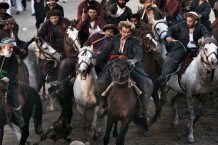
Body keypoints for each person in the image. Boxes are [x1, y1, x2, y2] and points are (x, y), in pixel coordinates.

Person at [91, 21, 153, 118]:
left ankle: (144, 109)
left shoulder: (135, 41)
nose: (126, 34)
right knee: (100, 83)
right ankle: (102, 106)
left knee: (147, 83)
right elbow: (106, 51)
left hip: (129, 63)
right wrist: (97, 60)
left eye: (129, 32)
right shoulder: (115, 39)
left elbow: (139, 53)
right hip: (114, 63)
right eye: (124, 32)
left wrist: (134, 60)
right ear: (120, 30)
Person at [157, 11, 210, 85]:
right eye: (187, 21)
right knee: (174, 58)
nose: (188, 23)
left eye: (190, 21)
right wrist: (168, 36)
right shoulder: (182, 24)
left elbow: (206, 34)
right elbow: (171, 29)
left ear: (196, 21)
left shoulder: (201, 27)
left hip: (196, 48)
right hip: (182, 46)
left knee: (209, 57)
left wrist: (203, 38)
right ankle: (165, 75)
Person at [37, 9, 71, 81]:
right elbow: (39, 35)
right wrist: (44, 43)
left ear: (59, 16)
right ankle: (49, 74)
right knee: (48, 60)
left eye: (55, 18)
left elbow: (72, 30)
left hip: (65, 44)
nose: (53, 20)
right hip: (52, 46)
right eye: (51, 18)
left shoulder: (65, 21)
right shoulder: (46, 23)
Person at [0, 37, 25, 128]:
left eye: (12, 47)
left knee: (13, 96)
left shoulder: (13, 56)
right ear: (3, 46)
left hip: (9, 80)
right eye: (9, 47)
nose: (11, 49)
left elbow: (13, 70)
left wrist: (8, 77)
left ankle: (19, 117)